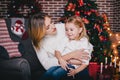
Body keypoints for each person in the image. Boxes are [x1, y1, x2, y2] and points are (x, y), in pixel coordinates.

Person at [28, 13, 92, 80]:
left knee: (56, 74)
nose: (53, 26)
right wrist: (69, 56)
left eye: (52, 22)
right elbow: (47, 64)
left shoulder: (63, 27)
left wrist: (77, 61)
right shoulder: (38, 42)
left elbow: (85, 48)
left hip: (77, 66)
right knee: (49, 74)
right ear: (40, 31)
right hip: (59, 65)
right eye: (47, 27)